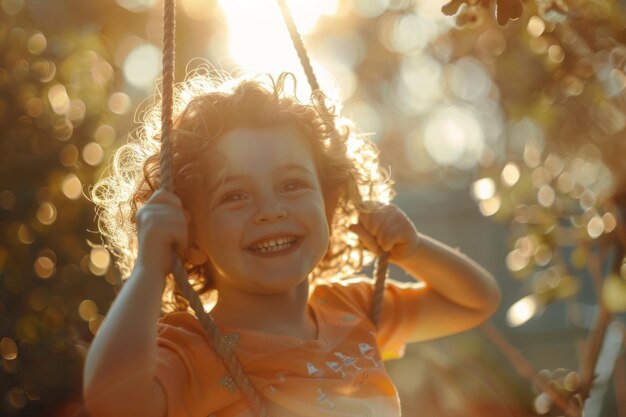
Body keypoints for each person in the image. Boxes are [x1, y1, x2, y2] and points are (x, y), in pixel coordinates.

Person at [83, 70, 501, 417]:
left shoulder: (351, 312)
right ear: (190, 240)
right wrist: (149, 270)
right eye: (234, 196)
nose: (270, 210)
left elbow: (475, 302)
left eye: (292, 184)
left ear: (331, 202)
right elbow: (113, 402)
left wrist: (412, 249)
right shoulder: (193, 349)